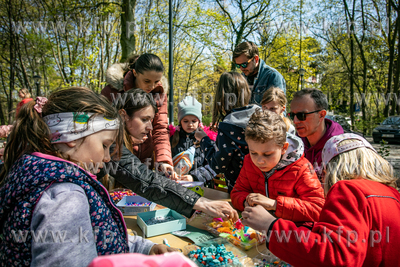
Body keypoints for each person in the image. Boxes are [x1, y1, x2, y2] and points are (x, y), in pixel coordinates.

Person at [0, 88, 176, 267]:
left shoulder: (40, 174)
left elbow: (96, 239)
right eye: (105, 145)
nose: (107, 158)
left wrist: (144, 248)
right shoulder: (65, 197)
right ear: (72, 136)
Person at [241, 133, 400, 267]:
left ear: (330, 169)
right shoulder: (393, 195)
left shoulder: (349, 189)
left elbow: (336, 255)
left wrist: (270, 225)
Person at [98, 88, 238, 221]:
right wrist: (201, 202)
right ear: (123, 115)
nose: (150, 127)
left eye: (151, 121)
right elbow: (145, 180)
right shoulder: (109, 142)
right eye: (144, 119)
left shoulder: (109, 135)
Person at [231, 110, 324, 222]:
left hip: (288, 234)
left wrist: (274, 204)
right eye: (253, 153)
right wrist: (246, 202)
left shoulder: (301, 168)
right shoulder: (249, 161)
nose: (259, 161)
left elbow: (318, 208)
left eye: (267, 154)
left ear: (284, 148)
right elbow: (237, 192)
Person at [102, 53, 173, 177]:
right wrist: (125, 138)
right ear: (135, 73)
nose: (151, 86)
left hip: (145, 158)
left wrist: (164, 160)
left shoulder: (159, 95)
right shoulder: (112, 92)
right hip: (117, 159)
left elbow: (160, 128)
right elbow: (101, 128)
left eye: (156, 81)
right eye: (147, 81)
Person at [195, 72, 259, 192]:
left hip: (240, 191)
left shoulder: (229, 125)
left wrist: (204, 140)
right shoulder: (261, 115)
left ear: (222, 96)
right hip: (266, 188)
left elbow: (218, 165)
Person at [289, 88, 343, 180]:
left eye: (301, 115)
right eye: (291, 115)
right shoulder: (293, 145)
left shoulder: (341, 150)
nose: (295, 121)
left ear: (321, 115)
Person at [170, 96, 216, 182]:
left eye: (194, 121)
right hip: (176, 183)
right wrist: (171, 172)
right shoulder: (173, 139)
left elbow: (213, 165)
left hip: (201, 186)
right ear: (180, 122)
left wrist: (194, 177)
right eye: (185, 121)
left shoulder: (207, 141)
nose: (190, 124)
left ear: (199, 121)